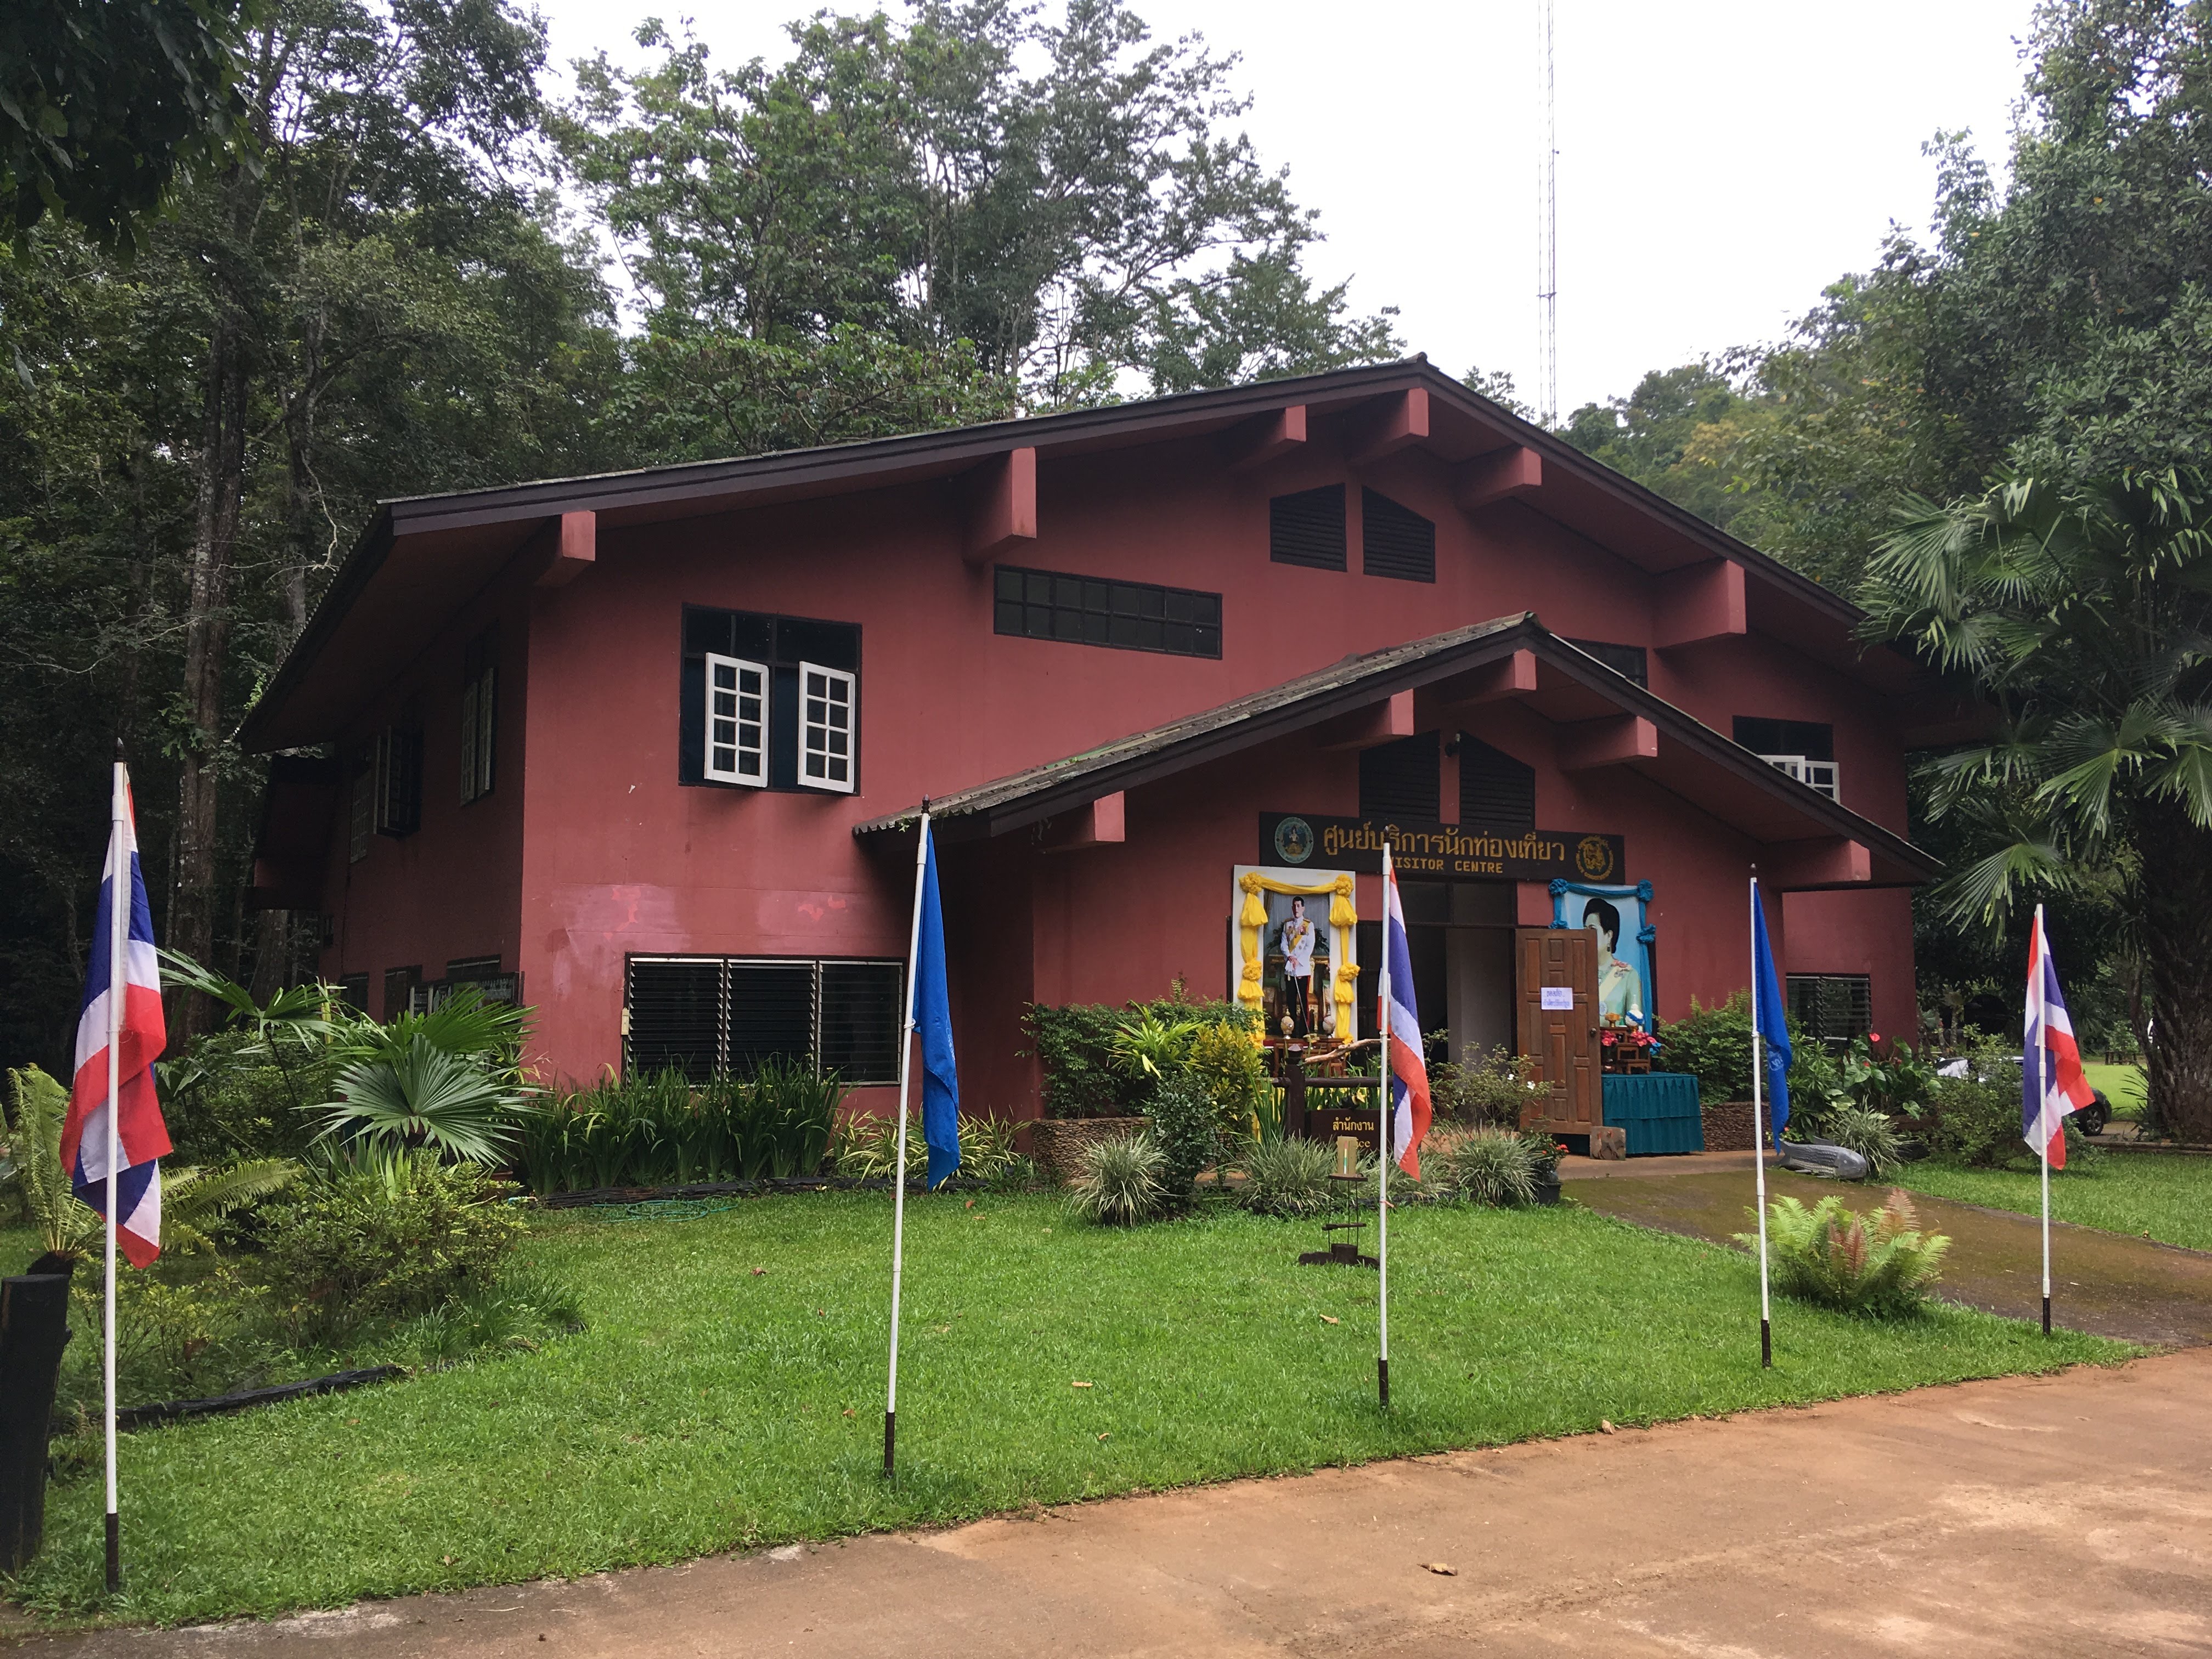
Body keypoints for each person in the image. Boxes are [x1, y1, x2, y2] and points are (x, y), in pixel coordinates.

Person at [1583, 896, 1645, 1026]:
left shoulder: (1628, 975)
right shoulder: (1578, 972)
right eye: (1585, 930)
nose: (1586, 936)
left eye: (1592, 930)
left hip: (1615, 1043)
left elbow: (1635, 1020)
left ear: (1609, 935)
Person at [1278, 894, 1319, 1038]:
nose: (1296, 909)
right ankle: (1290, 1028)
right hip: (1290, 967)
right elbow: (1283, 943)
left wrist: (1298, 961)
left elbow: (1309, 946)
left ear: (1303, 908)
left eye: (1299, 906)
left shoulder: (1309, 925)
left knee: (1303, 999)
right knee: (1290, 999)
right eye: (1294, 906)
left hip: (1302, 968)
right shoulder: (1288, 925)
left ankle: (1304, 1030)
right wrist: (1289, 956)